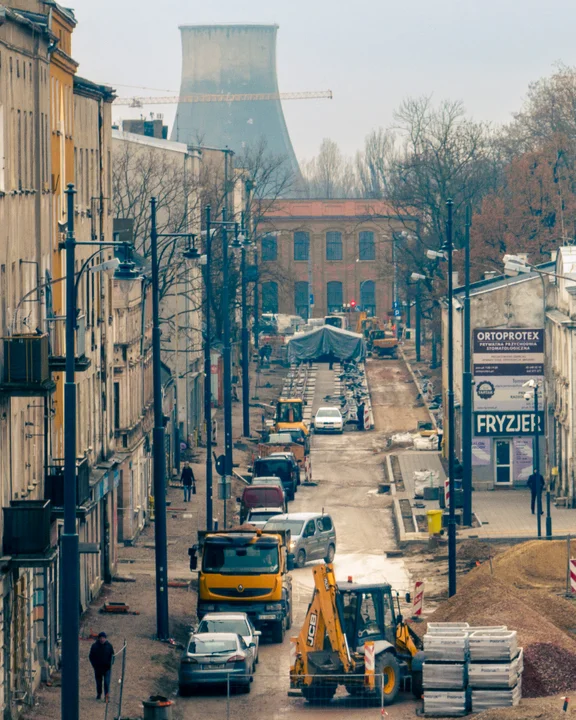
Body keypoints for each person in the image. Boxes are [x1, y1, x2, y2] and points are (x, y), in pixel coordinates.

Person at [89, 632, 114, 701]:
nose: (102, 639)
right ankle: (99, 694)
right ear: (99, 638)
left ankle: (106, 696)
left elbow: (113, 656)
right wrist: (94, 665)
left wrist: (110, 664)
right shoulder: (94, 646)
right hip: (98, 668)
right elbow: (91, 657)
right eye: (101, 638)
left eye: (103, 638)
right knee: (99, 683)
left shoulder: (109, 646)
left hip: (107, 668)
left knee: (106, 683)